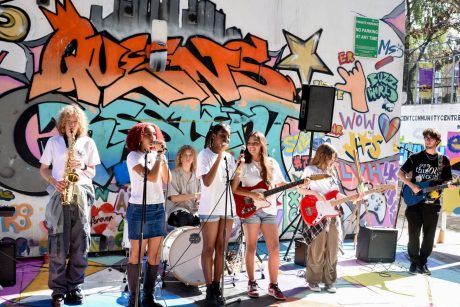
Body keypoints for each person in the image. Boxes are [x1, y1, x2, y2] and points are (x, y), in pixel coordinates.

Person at [39, 105, 100, 307]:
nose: (71, 125)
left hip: (81, 193)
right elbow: (44, 169)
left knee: (80, 244)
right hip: (60, 194)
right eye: (68, 122)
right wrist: (53, 182)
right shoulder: (53, 142)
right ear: (62, 124)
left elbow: (92, 172)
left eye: (75, 122)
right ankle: (58, 290)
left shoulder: (88, 143)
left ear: (80, 124)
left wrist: (81, 166)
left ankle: (74, 286)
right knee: (58, 245)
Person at [231, 131, 287, 300]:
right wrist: (254, 195)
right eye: (249, 142)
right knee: (252, 247)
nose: (252, 145)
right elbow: (234, 189)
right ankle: (251, 282)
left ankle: (273, 285)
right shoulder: (244, 164)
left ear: (262, 144)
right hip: (250, 210)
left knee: (275, 249)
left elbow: (281, 184)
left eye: (255, 142)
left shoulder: (271, 163)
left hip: (269, 211)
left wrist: (299, 183)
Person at [297, 143, 357, 293]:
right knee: (317, 249)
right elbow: (299, 188)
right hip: (317, 213)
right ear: (323, 156)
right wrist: (315, 194)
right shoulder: (310, 170)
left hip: (332, 214)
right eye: (331, 158)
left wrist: (352, 198)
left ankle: (329, 281)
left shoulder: (332, 173)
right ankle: (313, 280)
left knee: (333, 248)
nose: (333, 162)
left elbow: (335, 193)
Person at [125, 122, 170, 307]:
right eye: (147, 134)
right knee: (136, 253)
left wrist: (161, 157)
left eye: (154, 134)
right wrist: (159, 157)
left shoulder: (157, 156)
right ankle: (133, 297)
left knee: (154, 255)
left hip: (157, 207)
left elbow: (166, 180)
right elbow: (150, 177)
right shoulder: (133, 156)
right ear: (139, 137)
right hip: (139, 208)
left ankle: (148, 296)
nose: (152, 138)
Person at [397, 128, 453, 275]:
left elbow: (448, 180)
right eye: (426, 138)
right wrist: (412, 185)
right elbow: (400, 173)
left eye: (431, 138)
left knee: (429, 236)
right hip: (414, 202)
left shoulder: (444, 160)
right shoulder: (415, 157)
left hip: (433, 204)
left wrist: (450, 185)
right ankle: (414, 263)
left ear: (437, 141)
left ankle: (423, 263)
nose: (427, 140)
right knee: (413, 234)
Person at [197, 123, 236, 306]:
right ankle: (208, 289)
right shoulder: (204, 155)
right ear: (213, 135)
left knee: (222, 249)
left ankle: (216, 285)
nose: (226, 140)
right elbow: (207, 182)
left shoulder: (230, 158)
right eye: (222, 136)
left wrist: (240, 169)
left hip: (227, 208)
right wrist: (220, 156)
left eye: (228, 136)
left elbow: (232, 186)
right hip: (209, 207)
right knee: (209, 248)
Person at [166, 145, 201, 227]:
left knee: (205, 218)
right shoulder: (173, 174)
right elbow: (173, 198)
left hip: (193, 210)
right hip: (177, 210)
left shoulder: (197, 176)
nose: (188, 157)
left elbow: (199, 197)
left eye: (190, 155)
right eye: (185, 155)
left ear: (193, 158)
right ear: (180, 158)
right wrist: (194, 196)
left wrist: (199, 201)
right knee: (185, 218)